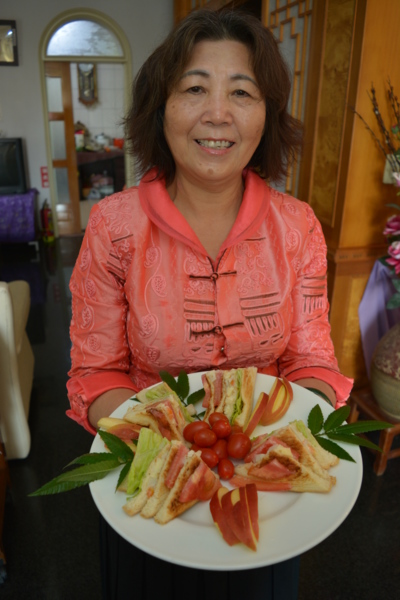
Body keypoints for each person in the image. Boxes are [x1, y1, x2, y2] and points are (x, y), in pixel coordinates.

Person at [66, 8, 353, 600]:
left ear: (267, 114)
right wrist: (167, 453)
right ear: (161, 107)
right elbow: (96, 373)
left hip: (265, 505)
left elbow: (312, 361)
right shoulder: (114, 226)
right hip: (149, 488)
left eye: (241, 92)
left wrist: (293, 440)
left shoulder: (298, 226)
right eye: (194, 88)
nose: (217, 113)